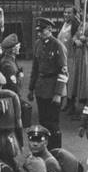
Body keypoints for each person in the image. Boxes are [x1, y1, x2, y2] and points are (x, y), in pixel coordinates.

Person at [28, 16, 68, 149]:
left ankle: (56, 150)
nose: (39, 34)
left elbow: (63, 73)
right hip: (41, 88)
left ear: (50, 29)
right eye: (38, 31)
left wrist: (58, 93)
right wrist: (31, 88)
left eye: (42, 31)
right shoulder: (38, 44)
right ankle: (44, 149)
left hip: (53, 89)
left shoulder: (58, 46)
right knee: (43, 121)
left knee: (53, 123)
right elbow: (35, 68)